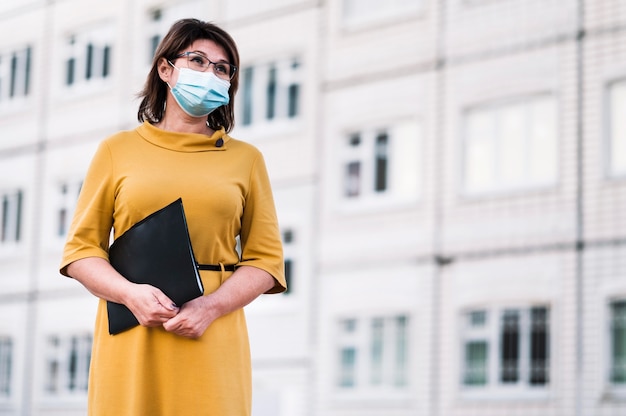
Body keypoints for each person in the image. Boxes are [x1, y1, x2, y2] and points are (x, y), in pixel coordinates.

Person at [60, 18, 286, 416]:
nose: (210, 73)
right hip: (133, 330)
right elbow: (80, 252)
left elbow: (266, 262)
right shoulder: (117, 151)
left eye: (222, 68)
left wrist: (211, 307)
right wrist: (130, 295)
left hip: (211, 332)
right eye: (197, 60)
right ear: (165, 69)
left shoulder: (247, 160)